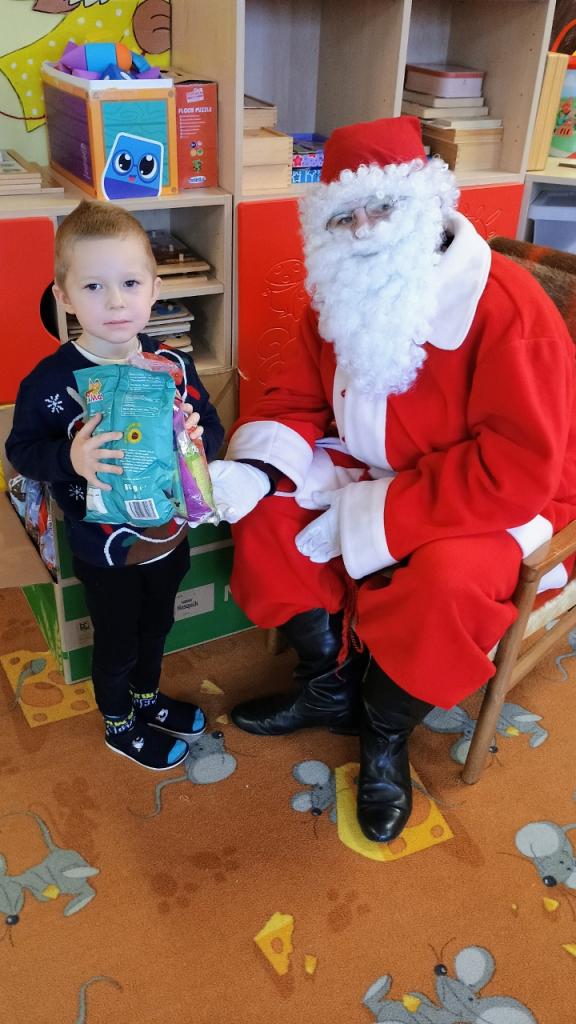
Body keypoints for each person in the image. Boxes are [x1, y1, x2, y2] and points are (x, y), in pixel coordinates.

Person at [208, 115, 576, 843]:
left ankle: (385, 731)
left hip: (496, 496)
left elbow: (516, 468)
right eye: (344, 216)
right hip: (377, 461)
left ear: (427, 202)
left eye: (384, 206)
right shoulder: (337, 291)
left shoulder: (507, 308)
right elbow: (295, 398)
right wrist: (256, 468)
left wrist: (374, 514)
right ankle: (328, 685)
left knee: (446, 583)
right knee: (267, 513)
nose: (366, 229)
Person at [6, 200, 224, 771]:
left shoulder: (173, 365)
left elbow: (212, 432)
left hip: (168, 535)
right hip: (104, 550)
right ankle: (119, 721)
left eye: (130, 283)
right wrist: (69, 457)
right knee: (118, 640)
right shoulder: (49, 382)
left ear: (154, 289)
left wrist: (195, 436)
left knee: (158, 626)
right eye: (94, 286)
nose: (116, 301)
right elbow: (20, 452)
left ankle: (147, 698)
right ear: (65, 298)